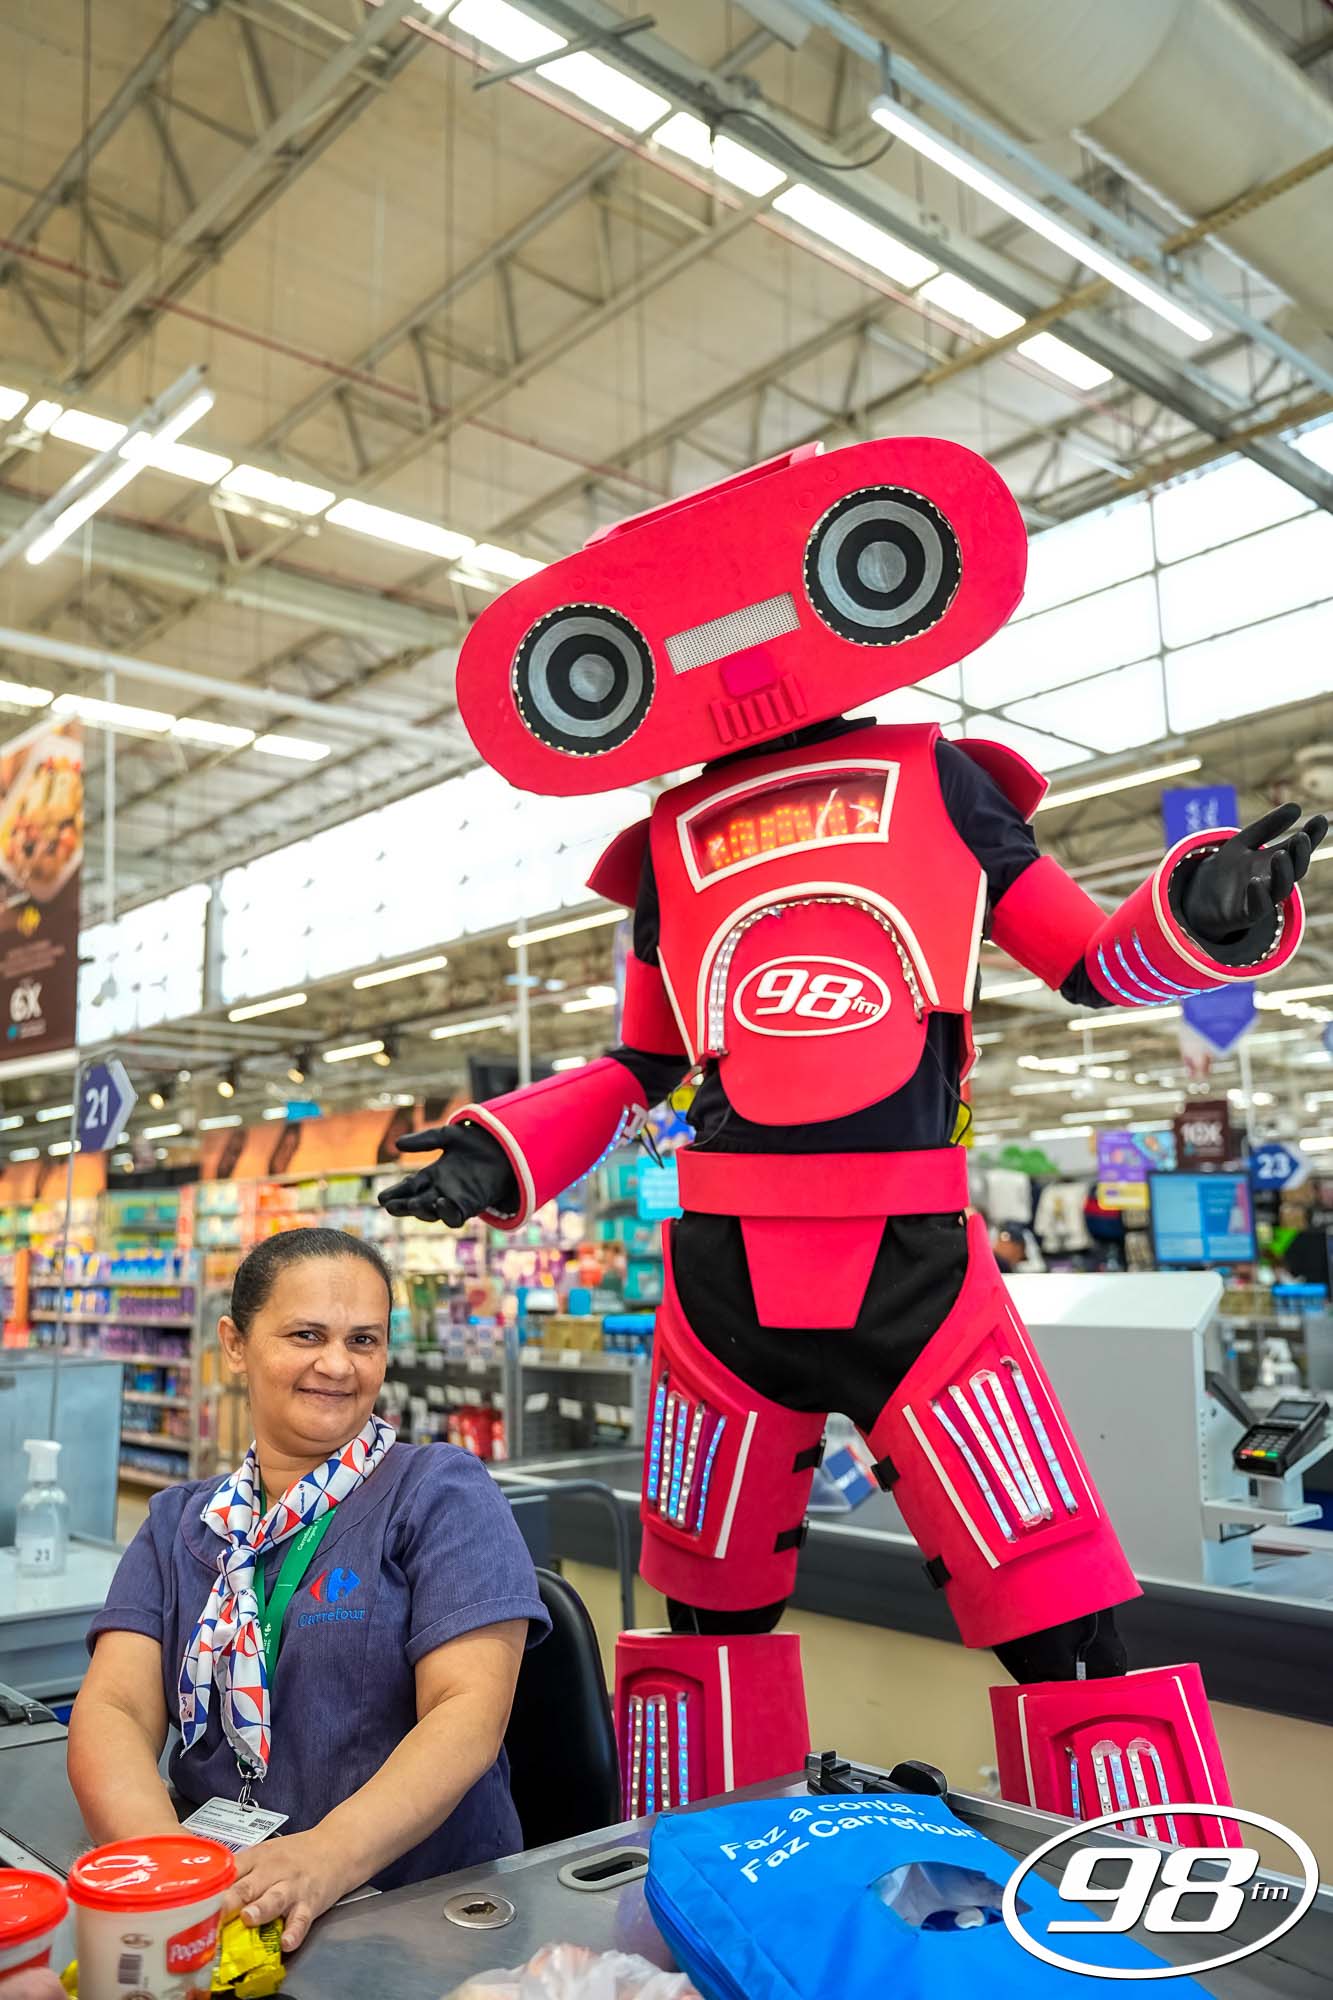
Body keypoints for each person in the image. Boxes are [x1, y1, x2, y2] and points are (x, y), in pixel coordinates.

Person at [68, 1228, 550, 1951]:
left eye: (363, 1341)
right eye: (306, 1335)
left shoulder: (440, 1493)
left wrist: (325, 1857)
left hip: (414, 1913)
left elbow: (466, 1711)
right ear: (235, 1344)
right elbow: (114, 1708)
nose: (337, 1364)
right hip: (227, 1899)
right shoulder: (181, 1523)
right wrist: (173, 1875)